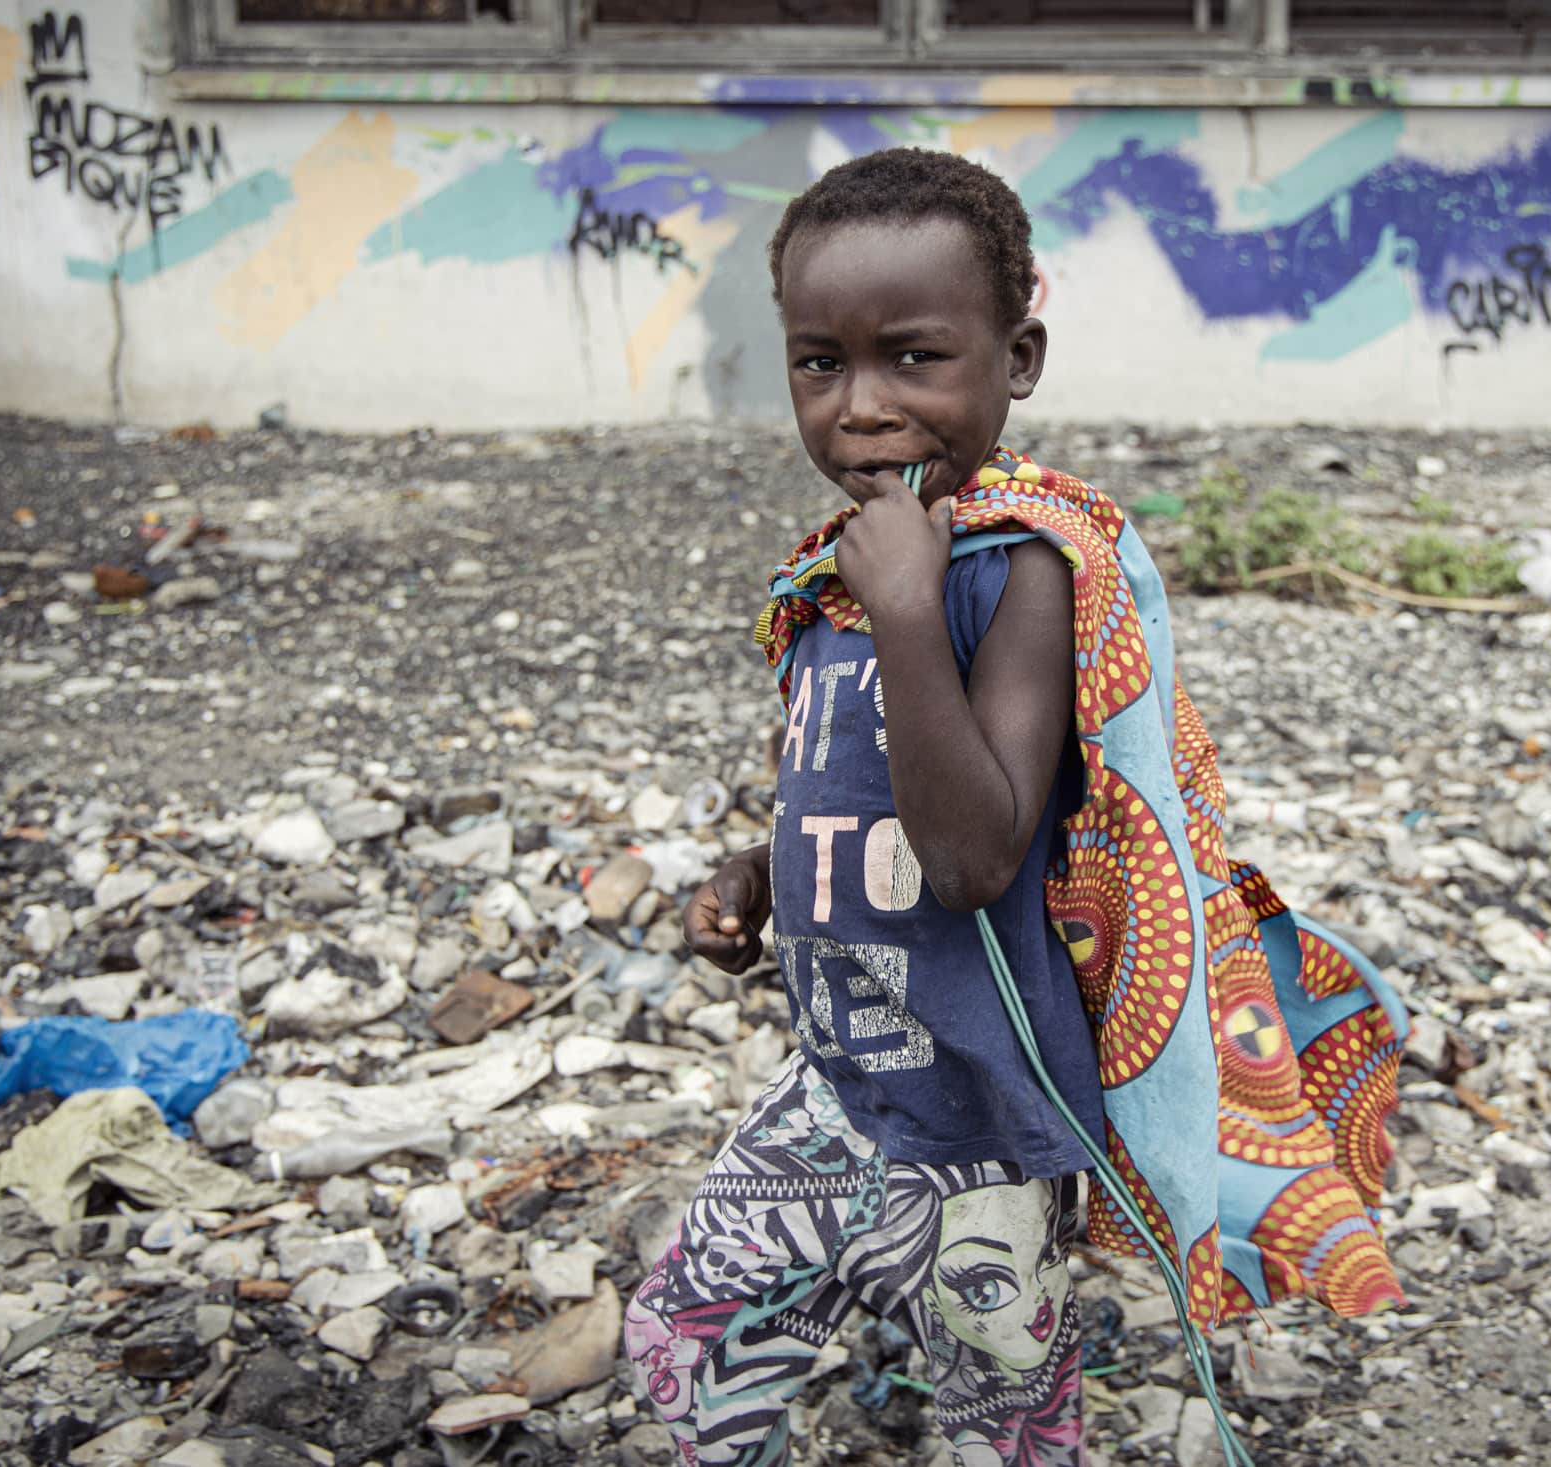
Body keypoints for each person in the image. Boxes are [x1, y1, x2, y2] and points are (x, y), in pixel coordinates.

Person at [623, 147, 1104, 1467]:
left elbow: (970, 854)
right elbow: (856, 779)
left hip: (982, 1117)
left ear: (1019, 360)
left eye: (914, 359)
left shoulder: (1014, 574)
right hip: (840, 1078)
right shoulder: (839, 570)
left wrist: (904, 605)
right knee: (687, 1335)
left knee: (1004, 1422)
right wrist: (757, 871)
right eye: (821, 364)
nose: (864, 410)